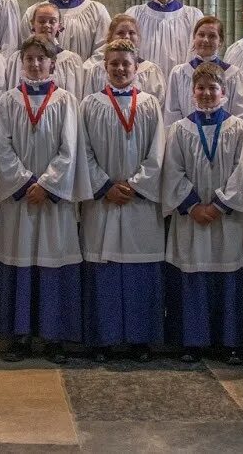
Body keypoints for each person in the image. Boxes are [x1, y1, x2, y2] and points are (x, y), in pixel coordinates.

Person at [0, 36, 89, 363]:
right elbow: (2, 147)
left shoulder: (65, 101)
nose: (35, 64)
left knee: (54, 261)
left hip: (52, 201)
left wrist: (46, 184)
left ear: (52, 63)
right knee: (18, 260)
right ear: (22, 61)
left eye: (41, 59)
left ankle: (54, 337)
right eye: (29, 58)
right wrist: (23, 182)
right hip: (19, 200)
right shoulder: (8, 101)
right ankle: (19, 336)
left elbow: (70, 149)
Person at [161, 61, 243, 365]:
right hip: (192, 218)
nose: (206, 93)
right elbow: (172, 171)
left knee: (231, 276)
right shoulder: (179, 129)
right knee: (193, 274)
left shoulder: (238, 127)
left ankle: (232, 342)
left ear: (223, 93)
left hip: (227, 219)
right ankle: (193, 341)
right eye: (200, 88)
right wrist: (192, 205)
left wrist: (219, 205)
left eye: (212, 88)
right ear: (192, 92)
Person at [80, 40, 166, 362]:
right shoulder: (89, 105)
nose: (119, 69)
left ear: (135, 67)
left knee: (139, 269)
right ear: (105, 66)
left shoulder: (150, 104)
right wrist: (104, 186)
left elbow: (158, 152)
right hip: (102, 202)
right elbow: (83, 151)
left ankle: (140, 341)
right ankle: (102, 339)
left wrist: (133, 185)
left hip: (138, 203)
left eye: (125, 64)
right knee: (104, 268)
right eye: (113, 63)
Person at [163, 15, 243, 126]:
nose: (205, 40)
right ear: (194, 38)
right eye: (201, 35)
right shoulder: (179, 73)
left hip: (225, 139)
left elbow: (240, 115)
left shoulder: (232, 74)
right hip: (186, 138)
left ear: (220, 41)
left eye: (212, 36)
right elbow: (172, 114)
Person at [124, 0, 203, 75]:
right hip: (143, 85)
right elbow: (126, 53)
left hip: (182, 84)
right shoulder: (133, 15)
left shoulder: (193, 16)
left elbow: (198, 55)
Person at [81, 14, 167, 104]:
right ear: (110, 37)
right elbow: (89, 103)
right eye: (120, 33)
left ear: (138, 37)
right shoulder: (96, 70)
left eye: (131, 33)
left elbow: (158, 105)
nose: (126, 36)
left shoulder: (151, 71)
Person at [4, 2, 85, 95]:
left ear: (59, 26)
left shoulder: (71, 61)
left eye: (52, 21)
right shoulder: (16, 59)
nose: (46, 25)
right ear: (32, 24)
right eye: (41, 21)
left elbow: (75, 98)